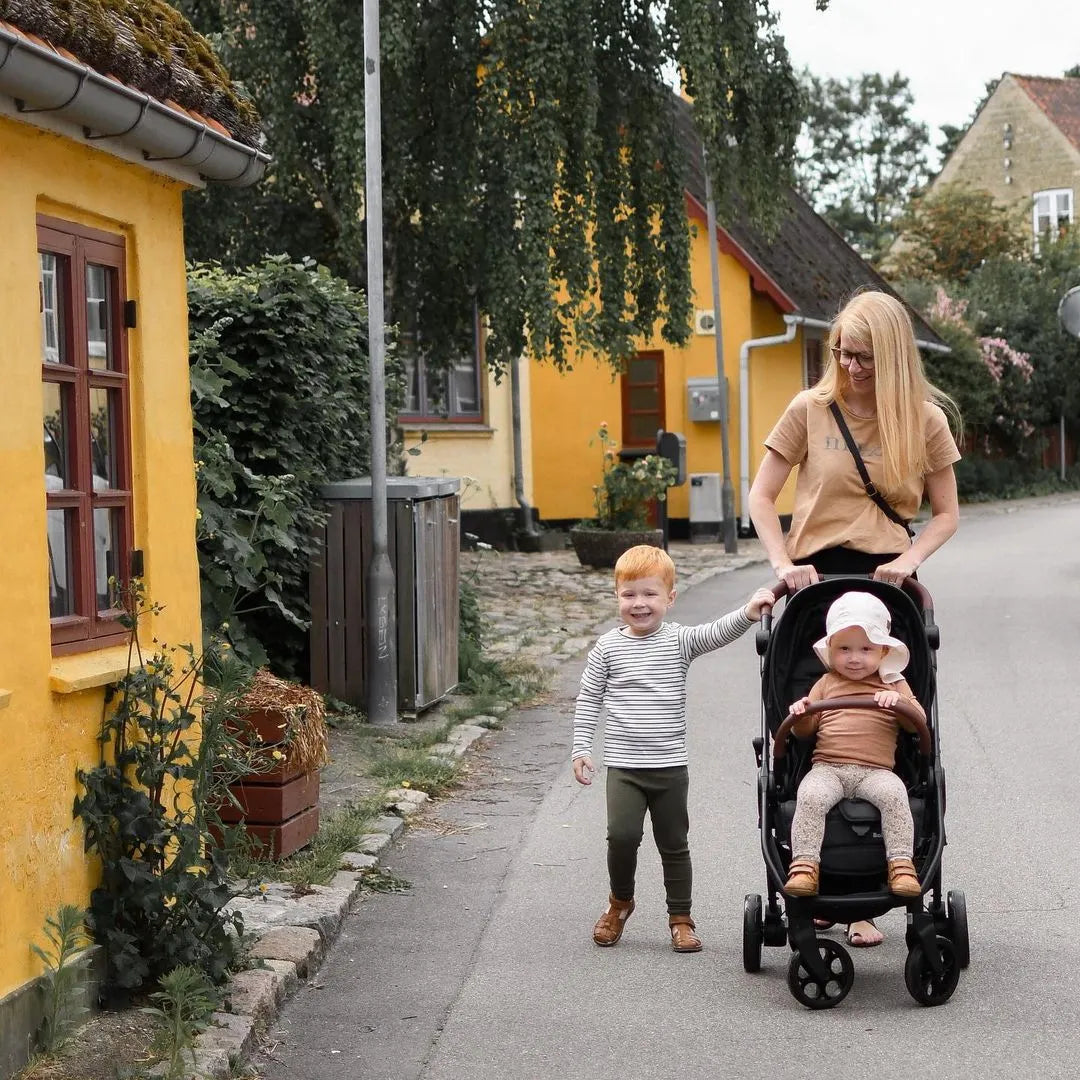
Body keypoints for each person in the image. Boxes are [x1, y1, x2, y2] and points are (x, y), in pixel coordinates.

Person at [747, 288, 960, 947]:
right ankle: (826, 881)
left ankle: (876, 874)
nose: (850, 366)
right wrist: (783, 563)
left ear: (891, 357)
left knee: (882, 716)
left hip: (888, 584)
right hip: (815, 581)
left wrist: (909, 557)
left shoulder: (923, 420)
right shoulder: (809, 410)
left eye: (864, 356)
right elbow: (761, 495)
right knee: (814, 721)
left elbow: (947, 513)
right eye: (842, 353)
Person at [571, 544, 774, 953]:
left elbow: (715, 632)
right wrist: (581, 748)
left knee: (674, 843)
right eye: (629, 595)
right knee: (621, 836)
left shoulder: (678, 641)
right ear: (617, 598)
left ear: (670, 598)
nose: (639, 603)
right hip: (624, 768)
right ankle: (620, 903)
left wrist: (750, 612)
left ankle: (680, 917)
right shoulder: (608, 648)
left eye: (649, 594)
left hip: (669, 768)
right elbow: (589, 697)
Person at [783, 591, 925, 903]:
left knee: (894, 795)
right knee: (811, 796)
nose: (854, 657)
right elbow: (806, 732)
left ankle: (901, 864)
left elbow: (918, 724)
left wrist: (901, 704)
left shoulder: (892, 681)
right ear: (831, 650)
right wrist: (802, 712)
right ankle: (805, 865)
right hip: (828, 767)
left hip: (875, 771)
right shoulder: (826, 683)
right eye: (844, 649)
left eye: (865, 649)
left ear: (883, 651)